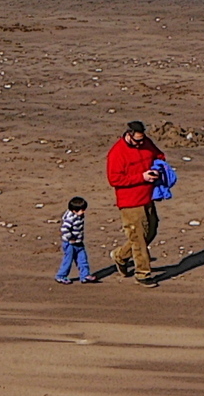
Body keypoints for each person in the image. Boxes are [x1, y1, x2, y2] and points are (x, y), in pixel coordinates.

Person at [106, 120, 165, 286]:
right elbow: (114, 179)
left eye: (142, 140)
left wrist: (158, 168)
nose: (140, 143)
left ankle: (120, 256)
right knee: (138, 239)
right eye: (137, 141)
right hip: (130, 202)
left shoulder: (146, 143)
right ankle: (143, 273)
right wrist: (142, 177)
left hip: (148, 197)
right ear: (129, 135)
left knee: (150, 232)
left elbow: (159, 155)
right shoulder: (117, 153)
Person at [54, 196, 95, 284]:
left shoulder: (80, 216)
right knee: (68, 260)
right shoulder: (70, 219)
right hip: (70, 244)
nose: (83, 212)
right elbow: (64, 229)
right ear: (74, 210)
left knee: (83, 259)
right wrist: (70, 238)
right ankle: (61, 275)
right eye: (81, 210)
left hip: (79, 242)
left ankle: (85, 275)